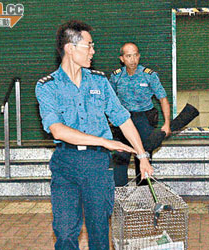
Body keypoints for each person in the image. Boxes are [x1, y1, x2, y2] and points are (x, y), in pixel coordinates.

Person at [35, 20, 153, 250]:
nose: (93, 51)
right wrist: (104, 141)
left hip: (97, 165)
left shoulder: (99, 81)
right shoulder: (47, 86)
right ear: (70, 48)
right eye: (89, 45)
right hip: (66, 164)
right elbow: (57, 129)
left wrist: (142, 155)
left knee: (99, 232)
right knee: (66, 231)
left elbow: (123, 119)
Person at [109, 42, 171, 186]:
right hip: (123, 121)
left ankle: (144, 197)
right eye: (128, 56)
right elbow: (109, 100)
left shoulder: (149, 75)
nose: (133, 59)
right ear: (122, 58)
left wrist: (167, 123)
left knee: (143, 157)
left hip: (144, 120)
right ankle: (120, 196)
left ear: (139, 56)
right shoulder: (116, 77)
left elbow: (163, 98)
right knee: (120, 158)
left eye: (135, 55)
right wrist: (109, 120)